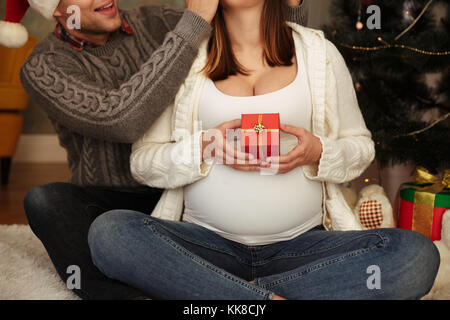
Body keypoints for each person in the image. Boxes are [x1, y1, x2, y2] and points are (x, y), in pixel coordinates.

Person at [87, 0, 441, 300]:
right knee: (110, 233)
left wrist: (318, 150)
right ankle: (262, 298)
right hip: (204, 246)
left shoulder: (319, 53)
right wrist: (203, 147)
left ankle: (229, 296)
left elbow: (361, 149)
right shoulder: (185, 58)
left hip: (302, 248)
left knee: (416, 256)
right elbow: (143, 164)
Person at [18, 0, 309, 300]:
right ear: (55, 9)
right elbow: (121, 122)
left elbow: (276, 38)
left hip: (181, 183)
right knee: (45, 201)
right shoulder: (44, 66)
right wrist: (193, 23)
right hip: (111, 198)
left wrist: (294, 4)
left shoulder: (158, 20)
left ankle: (195, 282)